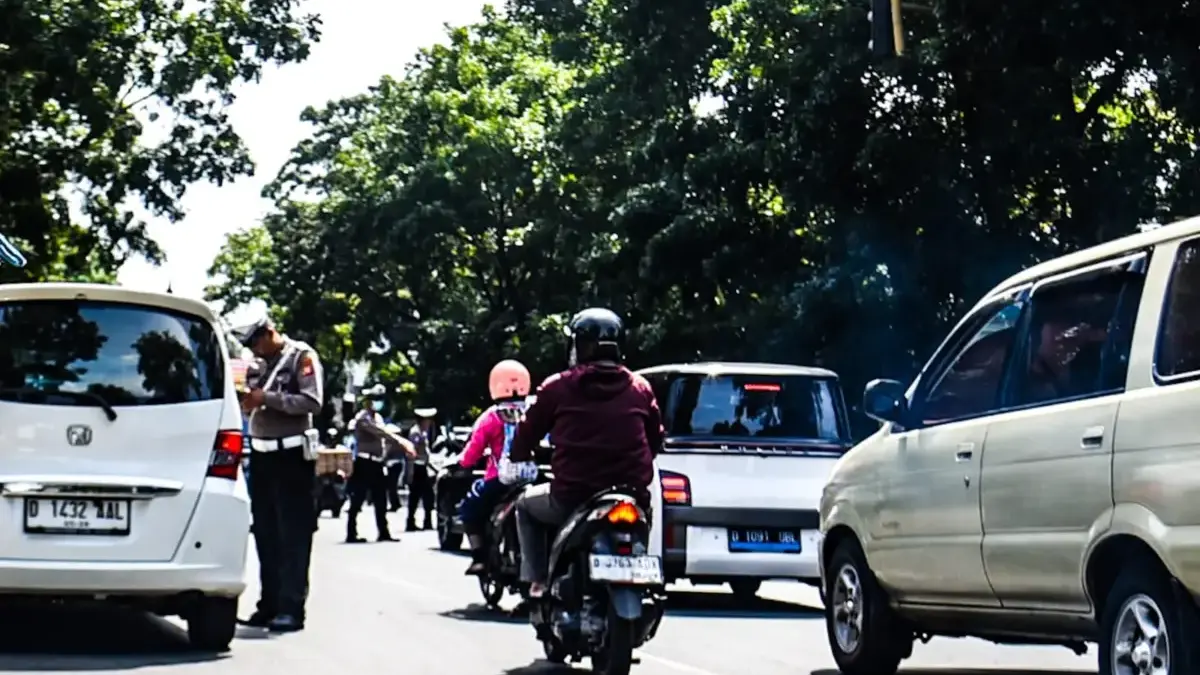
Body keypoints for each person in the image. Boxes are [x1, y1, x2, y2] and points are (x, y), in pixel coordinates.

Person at [508, 308, 664, 597]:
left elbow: (526, 434)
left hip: (572, 495)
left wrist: (519, 454)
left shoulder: (557, 386)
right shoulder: (640, 387)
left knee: (524, 506)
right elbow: (656, 438)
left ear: (576, 347)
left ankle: (538, 580)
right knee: (648, 511)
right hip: (631, 494)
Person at [234, 316, 324, 632]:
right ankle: (268, 604)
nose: (254, 350)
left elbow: (312, 401)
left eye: (256, 342)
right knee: (266, 533)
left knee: (293, 535)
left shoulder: (301, 356)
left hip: (292, 455)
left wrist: (268, 398)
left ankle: (291, 608)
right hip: (261, 455)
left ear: (270, 332)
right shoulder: (255, 364)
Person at [457, 360, 532, 574]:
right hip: (534, 477)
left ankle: (479, 557)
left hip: (500, 480)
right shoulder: (536, 410)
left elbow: (474, 450)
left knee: (469, 508)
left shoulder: (491, 416)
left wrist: (462, 463)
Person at [346, 394, 415, 543]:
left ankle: (383, 532)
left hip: (377, 463)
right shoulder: (363, 418)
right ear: (366, 402)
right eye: (373, 399)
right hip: (364, 462)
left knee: (381, 499)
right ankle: (351, 533)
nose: (377, 402)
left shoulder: (378, 417)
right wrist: (402, 441)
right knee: (358, 498)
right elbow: (380, 432)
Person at [405, 407, 439, 531]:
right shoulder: (416, 433)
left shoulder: (422, 432)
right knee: (416, 496)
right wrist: (410, 471)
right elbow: (412, 452)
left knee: (427, 496)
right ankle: (411, 522)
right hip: (417, 468)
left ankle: (427, 521)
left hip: (422, 467)